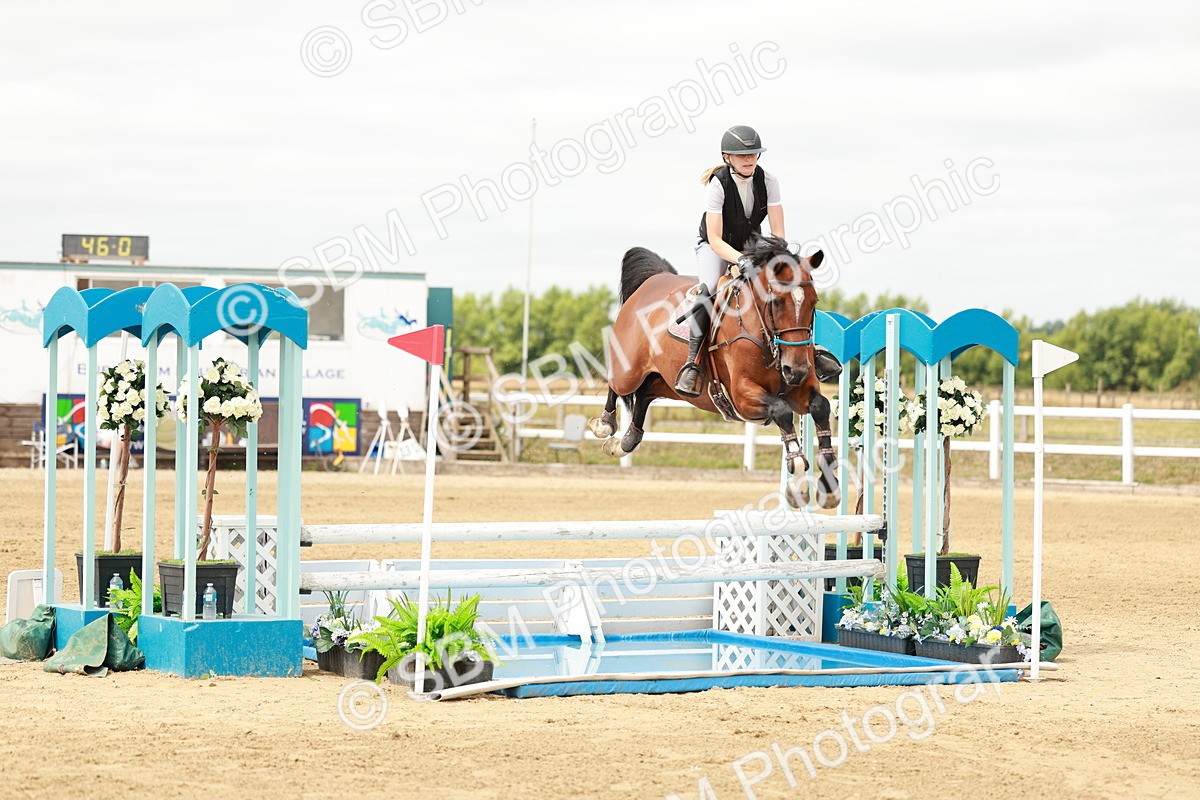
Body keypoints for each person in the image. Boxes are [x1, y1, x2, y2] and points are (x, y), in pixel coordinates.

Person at [673, 124, 842, 397]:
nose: (749, 159)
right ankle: (692, 363)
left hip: (754, 246)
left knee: (794, 291)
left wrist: (781, 263)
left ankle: (814, 349)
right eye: (743, 155)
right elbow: (715, 238)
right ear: (727, 157)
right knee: (709, 290)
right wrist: (739, 260)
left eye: (753, 154)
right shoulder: (718, 184)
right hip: (715, 247)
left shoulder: (769, 181)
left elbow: (778, 235)